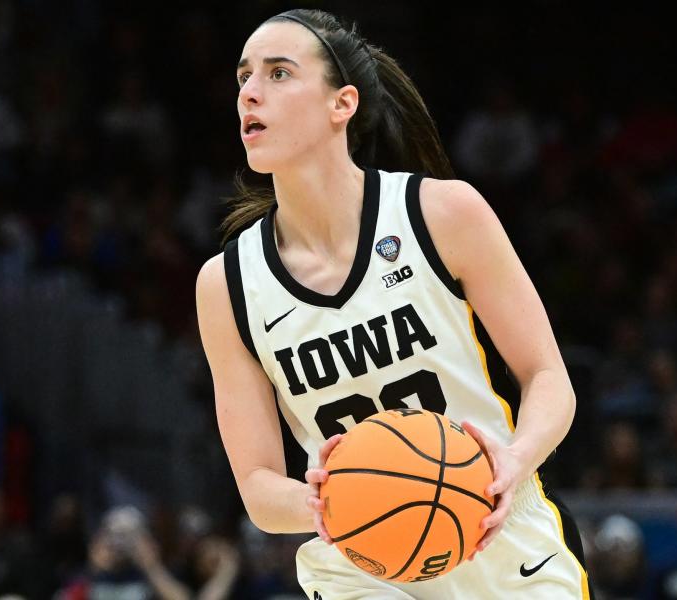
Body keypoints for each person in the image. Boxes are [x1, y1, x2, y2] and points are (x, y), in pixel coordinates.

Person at [195, 8, 590, 599]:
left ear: (342, 104)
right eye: (244, 77)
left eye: (278, 74)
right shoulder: (226, 285)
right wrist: (332, 498)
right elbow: (257, 488)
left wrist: (514, 459)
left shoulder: (444, 214)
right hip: (360, 560)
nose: (250, 93)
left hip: (497, 532)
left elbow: (548, 377)